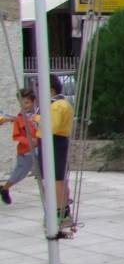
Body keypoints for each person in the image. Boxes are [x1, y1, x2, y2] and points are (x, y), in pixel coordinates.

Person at [0, 90, 39, 205]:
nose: (24, 105)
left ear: (33, 102)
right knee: (20, 173)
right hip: (25, 151)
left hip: (39, 149)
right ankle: (4, 189)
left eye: (27, 102)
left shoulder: (38, 116)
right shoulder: (20, 118)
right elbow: (16, 136)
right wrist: (30, 141)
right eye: (22, 103)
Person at [46, 76, 73, 234]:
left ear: (51, 90)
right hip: (59, 142)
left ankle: (61, 213)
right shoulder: (61, 103)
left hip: (56, 143)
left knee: (57, 180)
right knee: (61, 179)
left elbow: (53, 127)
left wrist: (36, 118)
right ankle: (63, 211)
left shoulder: (56, 105)